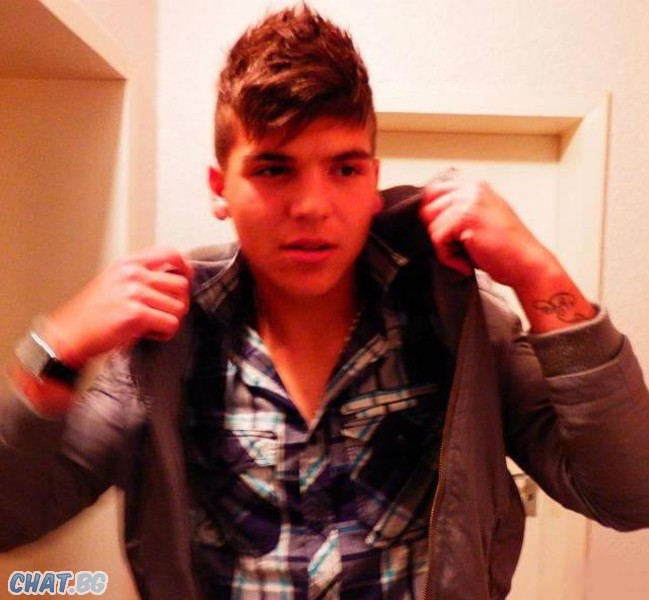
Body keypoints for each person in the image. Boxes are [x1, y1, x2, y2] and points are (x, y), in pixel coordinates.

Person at [2, 4, 649, 599]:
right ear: (219, 188)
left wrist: (538, 275)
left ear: (372, 181)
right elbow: (11, 516)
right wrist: (54, 348)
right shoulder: (165, 346)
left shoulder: (459, 324)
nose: (312, 206)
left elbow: (630, 494)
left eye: (344, 168)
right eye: (273, 169)